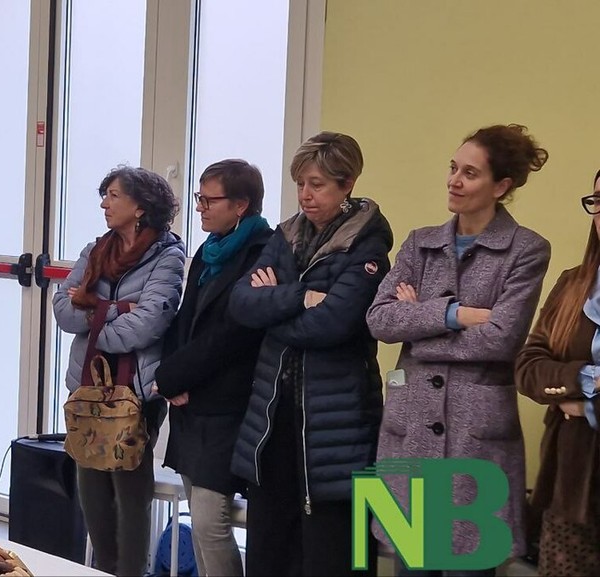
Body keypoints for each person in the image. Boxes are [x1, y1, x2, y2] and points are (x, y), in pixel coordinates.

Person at [366, 124, 551, 576]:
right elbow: (380, 320)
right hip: (410, 436)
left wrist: (418, 321)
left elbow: (502, 338)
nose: (454, 180)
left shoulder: (526, 250)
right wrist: (456, 314)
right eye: (453, 168)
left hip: (475, 447)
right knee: (409, 566)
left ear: (501, 186)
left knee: (471, 563)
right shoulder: (419, 242)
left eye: (470, 173)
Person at [228, 131, 392, 577]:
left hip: (334, 426)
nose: (305, 195)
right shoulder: (286, 236)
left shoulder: (368, 247)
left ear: (347, 184)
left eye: (317, 184)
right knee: (269, 556)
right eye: (300, 183)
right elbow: (241, 303)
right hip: (274, 420)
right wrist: (300, 296)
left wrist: (274, 306)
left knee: (329, 556)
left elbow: (333, 324)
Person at [53, 165, 185, 576]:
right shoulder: (95, 250)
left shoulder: (167, 256)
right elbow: (62, 310)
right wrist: (116, 309)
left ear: (140, 207)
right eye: (104, 195)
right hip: (88, 387)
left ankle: (130, 571)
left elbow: (148, 324)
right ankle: (103, 570)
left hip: (136, 392)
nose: (104, 204)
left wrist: (93, 312)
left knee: (130, 495)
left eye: (113, 195)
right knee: (91, 492)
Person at [154, 159, 272, 576]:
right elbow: (185, 319)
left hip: (227, 404)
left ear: (241, 205)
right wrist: (170, 377)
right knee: (198, 518)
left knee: (210, 522)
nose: (200, 207)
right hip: (190, 401)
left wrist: (174, 376)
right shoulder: (209, 250)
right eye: (198, 198)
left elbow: (231, 334)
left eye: (209, 200)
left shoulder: (262, 252)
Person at [514, 169, 600, 576]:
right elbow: (529, 366)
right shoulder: (573, 286)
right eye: (598, 199)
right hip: (570, 486)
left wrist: (587, 408)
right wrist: (587, 380)